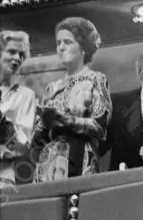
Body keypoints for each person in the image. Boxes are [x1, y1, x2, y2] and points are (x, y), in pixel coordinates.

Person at [31, 18, 111, 182]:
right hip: (49, 166)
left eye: (67, 42)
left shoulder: (95, 79)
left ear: (83, 47)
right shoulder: (51, 88)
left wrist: (62, 118)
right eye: (58, 42)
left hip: (80, 159)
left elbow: (100, 128)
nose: (61, 47)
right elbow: (36, 142)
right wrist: (45, 124)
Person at [1, 30, 36, 186]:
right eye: (12, 51)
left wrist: (3, 121)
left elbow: (23, 145)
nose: (17, 58)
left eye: (21, 54)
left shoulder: (25, 95)